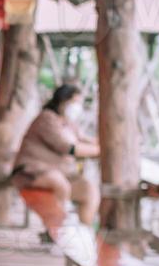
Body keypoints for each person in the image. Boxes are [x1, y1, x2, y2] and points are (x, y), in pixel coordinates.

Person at [11, 84, 100, 225]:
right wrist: (98, 151)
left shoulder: (69, 123)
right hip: (30, 172)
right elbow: (67, 148)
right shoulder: (46, 118)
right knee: (59, 183)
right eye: (75, 102)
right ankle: (57, 229)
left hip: (61, 173)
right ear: (63, 100)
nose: (77, 107)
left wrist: (101, 145)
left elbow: (83, 139)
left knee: (89, 190)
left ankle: (84, 231)